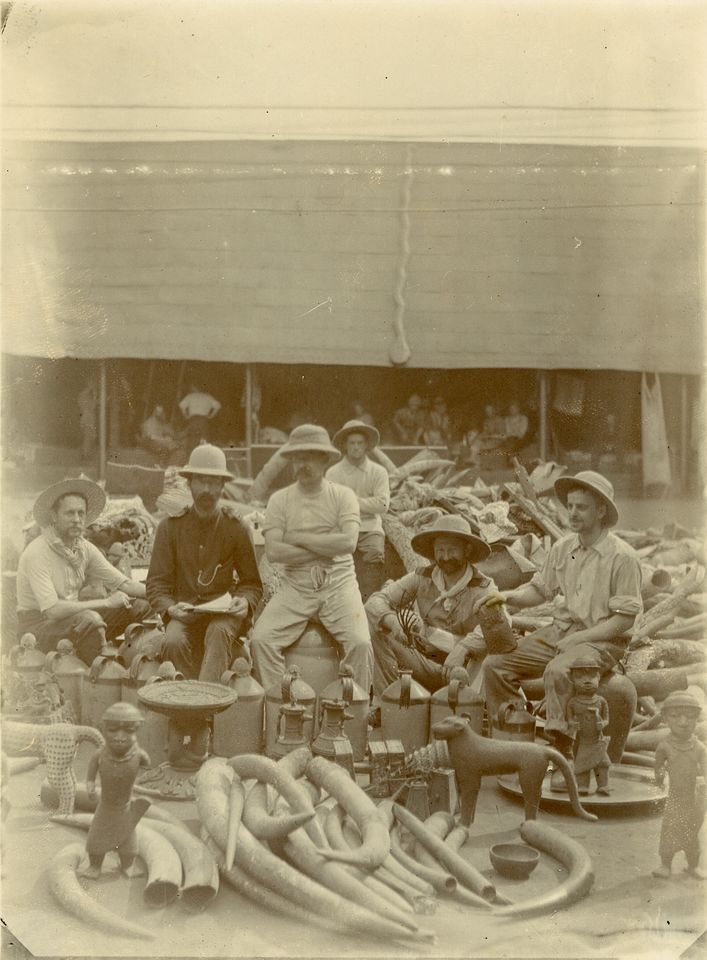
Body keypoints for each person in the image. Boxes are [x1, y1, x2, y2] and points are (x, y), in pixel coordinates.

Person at [482, 470, 642, 781]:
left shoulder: (623, 558)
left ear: (601, 511)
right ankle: (515, 744)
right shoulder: (564, 547)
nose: (572, 513)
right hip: (564, 632)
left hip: (604, 639)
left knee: (557, 671)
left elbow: (625, 620)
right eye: (569, 506)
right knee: (495, 665)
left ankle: (561, 752)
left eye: (581, 507)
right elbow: (541, 590)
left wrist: (580, 638)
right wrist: (507, 597)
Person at [250, 424, 373, 695]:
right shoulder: (279, 500)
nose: (301, 464)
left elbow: (349, 543)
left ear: (325, 459)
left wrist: (297, 536)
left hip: (339, 585)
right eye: (295, 457)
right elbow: (274, 552)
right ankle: (282, 709)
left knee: (361, 643)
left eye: (308, 457)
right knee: (261, 639)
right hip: (295, 586)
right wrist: (325, 547)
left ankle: (353, 718)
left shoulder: (343, 496)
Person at [146, 444, 262, 682]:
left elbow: (252, 584)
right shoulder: (170, 528)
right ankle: (184, 702)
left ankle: (204, 706)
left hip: (223, 616)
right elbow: (156, 584)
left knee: (218, 631)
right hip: (183, 613)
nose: (207, 489)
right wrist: (170, 608)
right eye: (201, 481)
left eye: (213, 482)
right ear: (190, 484)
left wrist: (245, 602)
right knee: (173, 640)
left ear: (222, 486)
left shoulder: (236, 528)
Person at [16, 478, 150, 665]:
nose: (77, 519)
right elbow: (53, 610)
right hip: (38, 626)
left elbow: (125, 584)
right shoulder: (37, 552)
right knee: (90, 620)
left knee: (141, 607)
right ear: (53, 516)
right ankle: (96, 678)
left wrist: (164, 594)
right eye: (70, 513)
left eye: (81, 513)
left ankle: (138, 668)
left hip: (72, 620)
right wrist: (106, 602)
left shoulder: (83, 547)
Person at [366, 514, 497, 696]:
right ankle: (386, 703)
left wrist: (463, 648)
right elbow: (376, 601)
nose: (445, 557)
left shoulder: (483, 586)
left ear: (467, 550)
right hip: (425, 662)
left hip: (464, 670)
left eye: (452, 550)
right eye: (440, 550)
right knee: (379, 630)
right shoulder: (422, 577)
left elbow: (498, 625)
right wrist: (393, 623)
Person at [326, 419, 390, 602]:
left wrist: (352, 501)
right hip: (342, 527)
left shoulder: (378, 472)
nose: (356, 447)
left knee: (374, 558)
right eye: (351, 443)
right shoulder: (333, 473)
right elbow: (331, 505)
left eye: (360, 443)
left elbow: (383, 505)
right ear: (344, 446)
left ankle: (370, 604)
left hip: (370, 528)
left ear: (367, 445)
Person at [653, 691, 707, 878]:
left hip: (693, 799)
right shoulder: (665, 746)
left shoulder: (699, 747)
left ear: (696, 719)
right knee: (670, 831)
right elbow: (658, 766)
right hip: (674, 798)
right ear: (666, 718)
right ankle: (665, 864)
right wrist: (659, 778)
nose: (683, 722)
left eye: (690, 717)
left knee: (692, 835)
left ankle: (693, 865)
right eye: (676, 716)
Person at [179, 384, 221, 453]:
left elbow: (181, 405)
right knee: (204, 439)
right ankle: (203, 457)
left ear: (195, 388)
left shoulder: (190, 396)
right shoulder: (207, 396)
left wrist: (186, 415)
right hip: (203, 420)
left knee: (192, 439)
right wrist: (211, 415)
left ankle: (191, 457)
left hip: (193, 420)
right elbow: (218, 406)